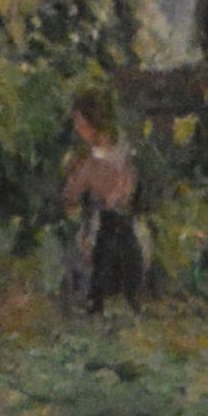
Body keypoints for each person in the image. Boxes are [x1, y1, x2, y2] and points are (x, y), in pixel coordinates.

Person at [58, 90, 146, 313]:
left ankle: (118, 297)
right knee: (97, 246)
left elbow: (125, 189)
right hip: (95, 222)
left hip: (117, 222)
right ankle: (97, 299)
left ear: (94, 122)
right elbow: (71, 194)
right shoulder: (86, 158)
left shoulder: (118, 153)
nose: (77, 127)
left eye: (80, 122)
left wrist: (111, 193)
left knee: (117, 241)